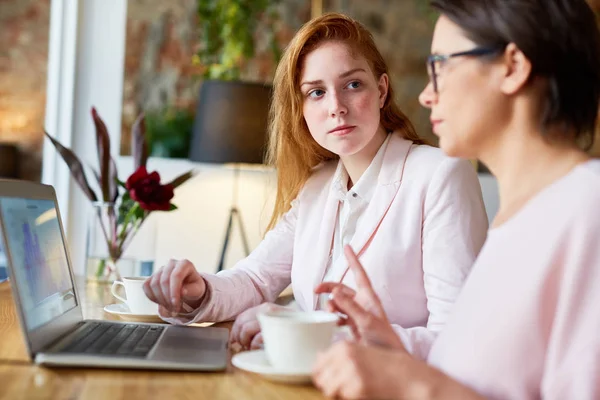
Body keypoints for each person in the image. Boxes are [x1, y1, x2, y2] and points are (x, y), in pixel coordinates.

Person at [143, 13, 488, 350]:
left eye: (352, 85)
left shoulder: (441, 174)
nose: (336, 107)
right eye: (316, 92)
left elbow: (456, 340)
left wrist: (318, 335)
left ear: (381, 90)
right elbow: (255, 278)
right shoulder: (317, 185)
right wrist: (198, 292)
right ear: (301, 109)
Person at [312, 0, 600, 399]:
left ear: (512, 66)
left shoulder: (587, 211)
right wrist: (390, 345)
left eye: (441, 66)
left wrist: (412, 384)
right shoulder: (517, 222)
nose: (427, 94)